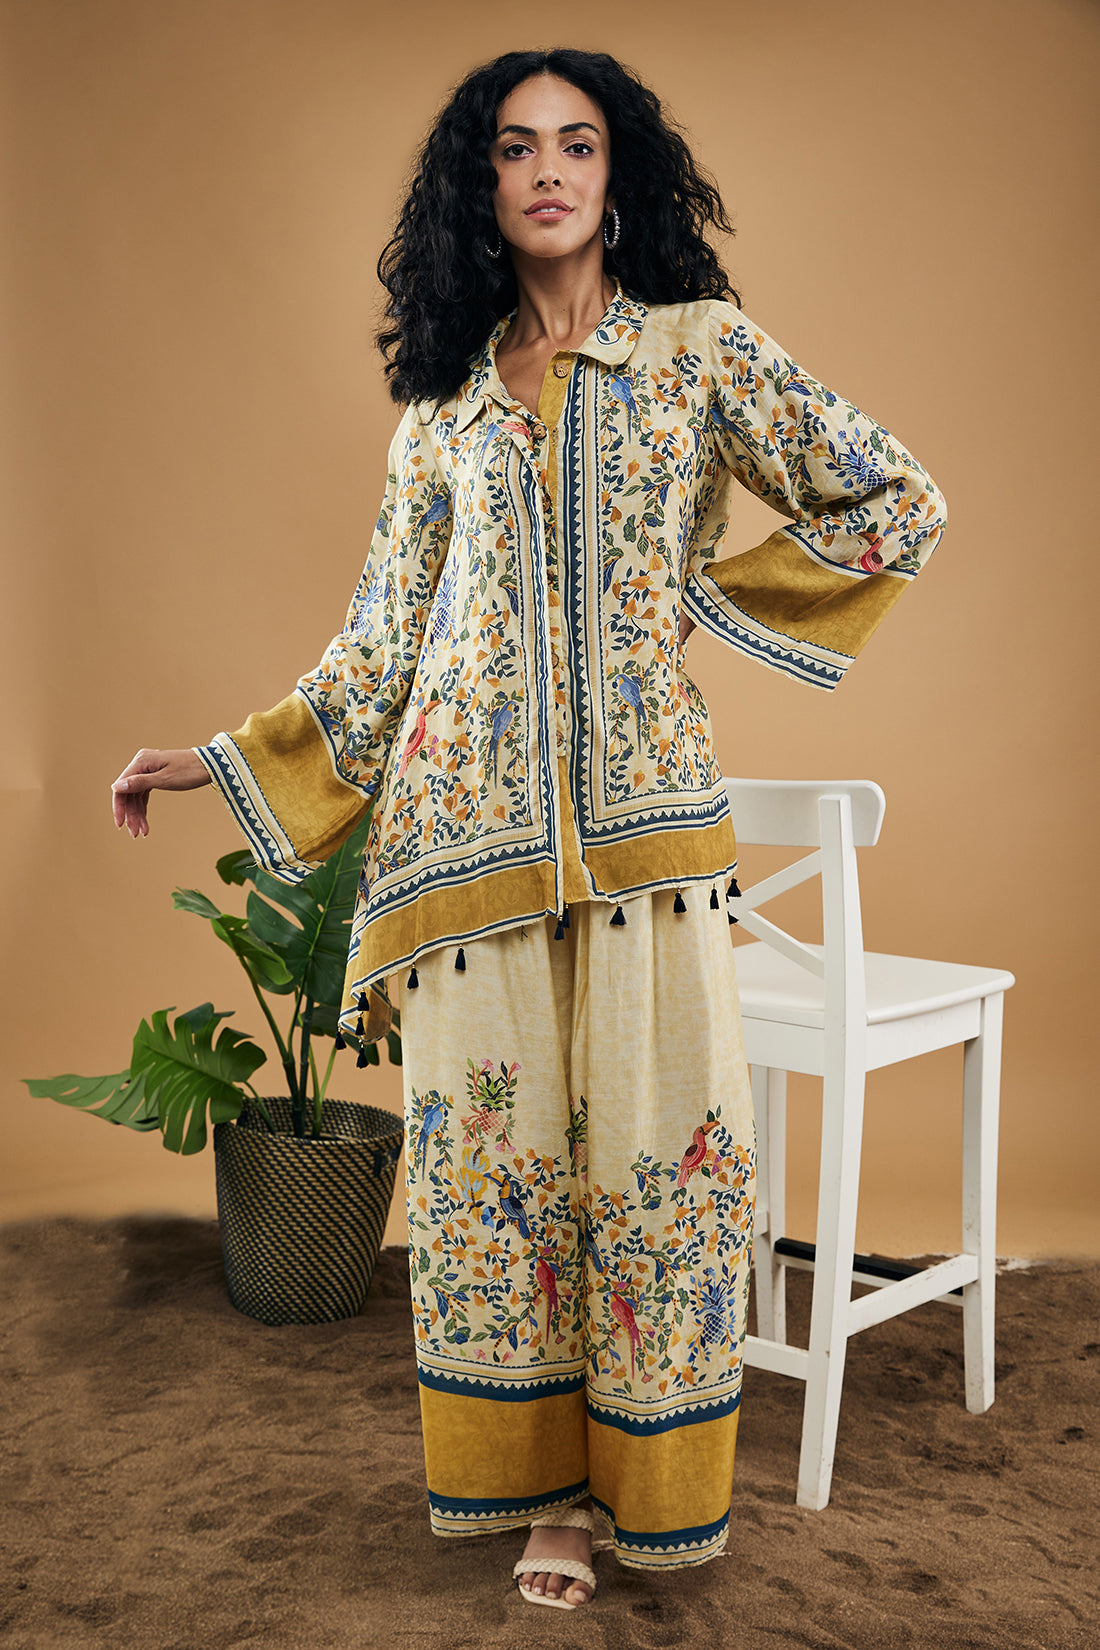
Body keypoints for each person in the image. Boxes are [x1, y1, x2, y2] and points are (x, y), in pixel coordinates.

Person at [112, 48, 946, 1610]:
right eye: (515, 147)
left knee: (657, 1172)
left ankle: (657, 1486)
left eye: (577, 142)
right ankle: (550, 1501)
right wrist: (214, 760)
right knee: (501, 1193)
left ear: (619, 174)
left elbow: (891, 498)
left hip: (650, 849)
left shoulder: (699, 350)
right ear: (480, 185)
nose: (548, 169)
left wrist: (697, 605)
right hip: (464, 852)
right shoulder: (443, 411)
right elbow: (381, 647)